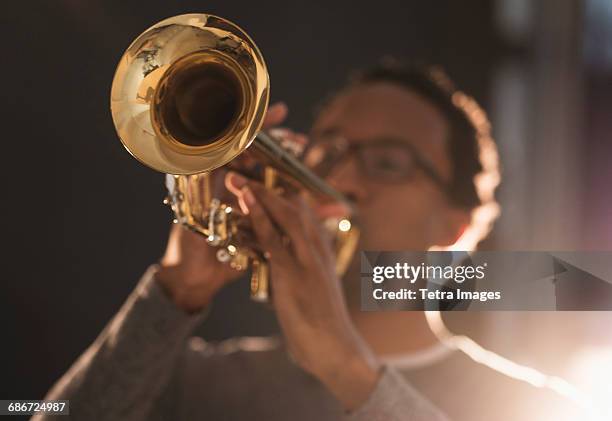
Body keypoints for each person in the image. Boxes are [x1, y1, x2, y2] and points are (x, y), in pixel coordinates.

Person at [34, 60, 580, 421]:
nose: (343, 182)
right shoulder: (201, 383)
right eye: (328, 152)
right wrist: (175, 291)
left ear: (456, 228)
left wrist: (348, 370)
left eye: (388, 163)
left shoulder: (535, 404)